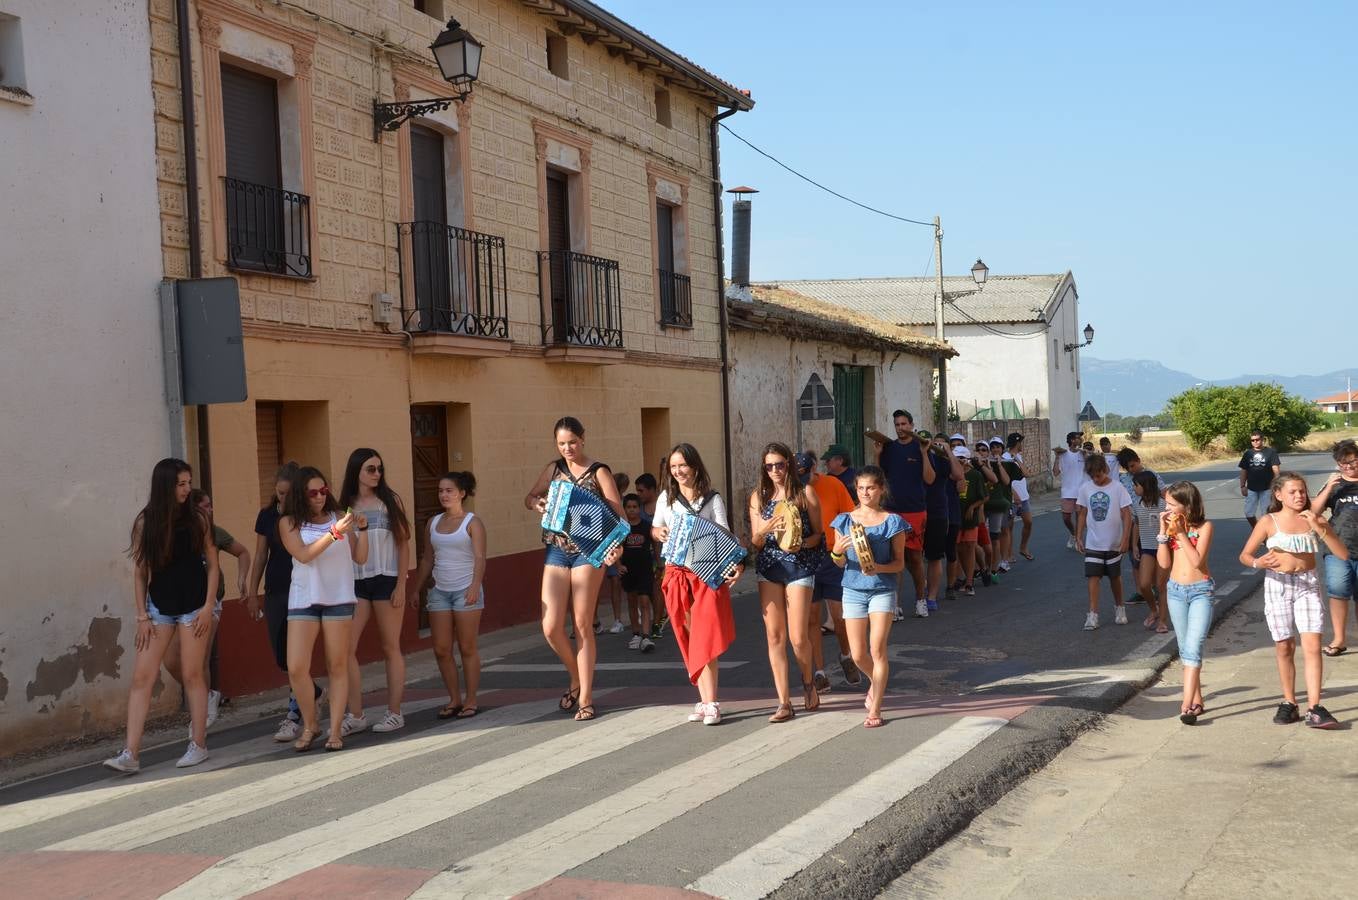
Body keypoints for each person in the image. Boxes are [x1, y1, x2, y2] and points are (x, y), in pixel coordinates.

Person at [104, 459, 219, 774]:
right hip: (158, 608)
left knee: (193, 674)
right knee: (142, 677)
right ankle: (131, 754)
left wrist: (209, 606)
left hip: (194, 605)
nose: (187, 489)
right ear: (166, 486)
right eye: (181, 484)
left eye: (189, 482)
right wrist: (141, 615)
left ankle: (198, 745)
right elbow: (141, 572)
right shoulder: (146, 522)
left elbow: (213, 563)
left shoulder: (198, 519)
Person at [524, 416, 625, 722]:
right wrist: (537, 504)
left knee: (581, 624)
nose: (567, 448)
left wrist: (615, 549)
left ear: (583, 439)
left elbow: (618, 513)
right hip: (556, 549)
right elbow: (530, 497)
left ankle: (586, 697)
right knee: (551, 626)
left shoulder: (599, 471)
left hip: (589, 552)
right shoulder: (553, 469)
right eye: (561, 443)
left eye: (572, 442)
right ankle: (575, 677)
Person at [1239, 472, 1345, 729]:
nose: (1299, 496)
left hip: (1307, 584)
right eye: (1292, 492)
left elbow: (1342, 554)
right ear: (1278, 495)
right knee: (1284, 646)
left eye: (1302, 491)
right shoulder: (1268, 521)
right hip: (1278, 585)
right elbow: (1245, 554)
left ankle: (1315, 707)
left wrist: (1321, 529)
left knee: (1312, 644)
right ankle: (1289, 702)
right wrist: (1258, 562)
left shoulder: (1314, 519)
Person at [279, 466, 368, 751]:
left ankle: (335, 730)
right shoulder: (289, 522)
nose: (319, 497)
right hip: (304, 598)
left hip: (339, 597)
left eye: (323, 491)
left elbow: (360, 558)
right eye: (312, 492)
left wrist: (362, 530)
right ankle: (311, 724)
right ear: (299, 495)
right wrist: (333, 533)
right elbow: (304, 555)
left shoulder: (339, 516)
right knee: (296, 668)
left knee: (337, 665)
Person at [653, 443, 740, 725]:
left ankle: (712, 701)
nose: (678, 471)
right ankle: (704, 701)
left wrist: (736, 564)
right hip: (677, 573)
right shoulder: (667, 498)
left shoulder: (712, 499)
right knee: (690, 636)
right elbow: (655, 528)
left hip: (705, 575)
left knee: (706, 635)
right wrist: (659, 532)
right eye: (674, 467)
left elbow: (725, 534)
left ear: (695, 466)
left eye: (683, 466)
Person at [750, 441, 826, 721]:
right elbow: (756, 542)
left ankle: (808, 683)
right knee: (774, 636)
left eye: (779, 465)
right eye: (768, 466)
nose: (774, 470)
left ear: (789, 465)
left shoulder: (805, 493)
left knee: (797, 636)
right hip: (769, 566)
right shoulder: (759, 497)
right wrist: (766, 529)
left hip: (799, 566)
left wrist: (801, 543)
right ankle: (784, 702)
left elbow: (819, 534)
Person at [162, 490, 250, 729]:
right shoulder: (177, 534)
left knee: (200, 659)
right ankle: (207, 694)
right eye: (204, 507)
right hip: (180, 604)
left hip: (208, 602)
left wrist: (242, 579)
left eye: (210, 506)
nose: (210, 511)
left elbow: (242, 552)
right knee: (170, 658)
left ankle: (200, 716)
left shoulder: (214, 531)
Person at [339, 448, 412, 736]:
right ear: (356, 470)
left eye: (379, 468)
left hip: (387, 578)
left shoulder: (390, 502)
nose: (377, 474)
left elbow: (404, 543)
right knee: (346, 649)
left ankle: (395, 713)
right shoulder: (345, 504)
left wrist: (402, 585)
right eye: (370, 469)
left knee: (390, 647)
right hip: (355, 581)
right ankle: (356, 714)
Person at [829, 466, 907, 728]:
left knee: (877, 649)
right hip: (852, 590)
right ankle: (877, 681)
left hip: (882, 590)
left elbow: (899, 564)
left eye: (870, 488)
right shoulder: (843, 521)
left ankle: (875, 709)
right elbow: (839, 563)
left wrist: (878, 568)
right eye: (860, 488)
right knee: (857, 654)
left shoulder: (893, 522)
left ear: (880, 489)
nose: (864, 493)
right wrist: (837, 552)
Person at [247, 461, 315, 742]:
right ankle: (313, 691)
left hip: (301, 589)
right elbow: (261, 554)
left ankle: (293, 715)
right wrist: (253, 592)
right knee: (280, 654)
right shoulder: (267, 516)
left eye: (288, 493)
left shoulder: (306, 516)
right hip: (276, 589)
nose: (283, 498)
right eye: (279, 493)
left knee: (293, 655)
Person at [411, 471, 485, 719]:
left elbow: (479, 557)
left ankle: (471, 699)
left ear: (462, 493)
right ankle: (454, 698)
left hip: (466, 590)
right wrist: (417, 589)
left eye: (449, 490)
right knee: (441, 648)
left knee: (467, 647)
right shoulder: (432, 523)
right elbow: (427, 558)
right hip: (439, 592)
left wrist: (476, 585)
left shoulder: (472, 523)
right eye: (441, 490)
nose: (444, 494)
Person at [797, 451, 858, 690]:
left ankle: (846, 655)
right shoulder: (792, 491)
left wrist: (851, 550)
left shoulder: (832, 484)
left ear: (815, 468)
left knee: (839, 616)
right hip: (806, 560)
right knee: (812, 619)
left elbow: (850, 516)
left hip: (833, 556)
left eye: (806, 473)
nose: (802, 479)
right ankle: (820, 672)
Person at [1156, 481, 1214, 724]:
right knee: (1185, 648)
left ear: (1186, 505)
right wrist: (1163, 532)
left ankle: (1186, 705)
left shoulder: (1204, 527)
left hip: (1200, 590)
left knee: (1194, 646)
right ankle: (1197, 699)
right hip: (1175, 591)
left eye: (1171, 504)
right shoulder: (1170, 527)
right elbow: (1164, 564)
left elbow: (1197, 561)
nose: (1166, 508)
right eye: (1166, 504)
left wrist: (1180, 533)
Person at [875, 409, 935, 621]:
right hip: (892, 511)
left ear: (911, 425)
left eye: (903, 424)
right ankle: (895, 605)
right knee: (894, 558)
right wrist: (878, 454)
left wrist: (925, 453)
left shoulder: (920, 447)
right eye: (897, 425)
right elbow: (879, 478)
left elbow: (929, 479)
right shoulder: (889, 448)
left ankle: (921, 600)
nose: (900, 428)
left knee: (914, 558)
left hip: (915, 510)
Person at [1076, 453, 1133, 630]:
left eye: (1099, 475)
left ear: (1105, 470)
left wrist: (1125, 540)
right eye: (1092, 476)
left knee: (1115, 577)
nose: (1096, 479)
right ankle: (1092, 615)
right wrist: (1078, 536)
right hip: (1093, 542)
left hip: (1114, 543)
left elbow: (1127, 515)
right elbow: (1083, 513)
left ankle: (1120, 609)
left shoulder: (1118, 488)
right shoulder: (1085, 488)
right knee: (1093, 576)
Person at [1312, 438, 1358, 656]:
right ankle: (1339, 639)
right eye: (1344, 463)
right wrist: (1330, 485)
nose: (1349, 466)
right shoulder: (1335, 485)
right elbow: (1313, 512)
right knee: (1338, 591)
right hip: (1337, 547)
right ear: (1338, 464)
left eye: (1353, 461)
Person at [1116, 448, 1167, 605]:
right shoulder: (1123, 479)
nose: (1131, 470)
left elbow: (1164, 492)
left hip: (1152, 523)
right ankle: (1141, 591)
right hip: (1133, 522)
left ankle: (1157, 589)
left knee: (1154, 556)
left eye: (1133, 465)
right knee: (1135, 558)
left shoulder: (1151, 474)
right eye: (1128, 468)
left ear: (1138, 460)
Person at [921, 433, 964, 614]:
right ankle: (922, 586)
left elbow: (959, 475)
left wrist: (948, 451)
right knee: (913, 556)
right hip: (917, 510)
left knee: (937, 556)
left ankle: (933, 595)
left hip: (938, 512)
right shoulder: (919, 457)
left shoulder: (942, 459)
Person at [1130, 472, 1170, 633]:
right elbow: (1137, 525)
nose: (1133, 488)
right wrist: (1134, 545)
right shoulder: (1137, 504)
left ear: (1145, 486)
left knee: (1161, 586)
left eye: (1135, 485)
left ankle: (1162, 621)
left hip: (1163, 549)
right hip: (1146, 549)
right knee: (1145, 584)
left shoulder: (1163, 504)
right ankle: (1153, 610)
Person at [619, 493, 658, 652]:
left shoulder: (647, 526)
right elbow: (616, 547)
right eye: (629, 507)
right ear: (624, 509)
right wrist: (618, 565)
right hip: (628, 569)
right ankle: (636, 633)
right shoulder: (622, 528)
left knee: (644, 601)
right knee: (632, 601)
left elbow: (655, 546)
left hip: (645, 568)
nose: (632, 510)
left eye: (635, 507)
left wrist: (658, 563)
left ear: (639, 508)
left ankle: (646, 636)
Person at [634, 472, 667, 638]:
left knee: (658, 587)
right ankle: (656, 618)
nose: (639, 494)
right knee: (649, 589)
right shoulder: (638, 509)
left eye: (641, 491)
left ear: (652, 490)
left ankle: (656, 622)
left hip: (662, 553)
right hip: (644, 554)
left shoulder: (663, 505)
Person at [954, 446, 986, 595]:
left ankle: (969, 582)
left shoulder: (975, 475)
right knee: (959, 547)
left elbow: (984, 496)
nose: (959, 461)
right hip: (955, 516)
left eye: (961, 458)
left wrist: (972, 507)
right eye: (956, 458)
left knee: (970, 547)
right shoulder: (951, 475)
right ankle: (961, 578)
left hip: (969, 517)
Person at [603, 472, 631, 634]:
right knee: (615, 581)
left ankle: (618, 618)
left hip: (623, 544)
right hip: (613, 544)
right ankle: (617, 619)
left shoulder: (626, 502)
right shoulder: (608, 502)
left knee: (621, 582)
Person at [982, 439, 1014, 580]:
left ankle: (1004, 559)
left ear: (1002, 449)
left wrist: (999, 465)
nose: (995, 450)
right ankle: (989, 564)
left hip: (1004, 500)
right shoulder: (984, 463)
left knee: (1004, 529)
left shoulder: (1006, 462)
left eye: (998, 447)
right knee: (990, 534)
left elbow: (1007, 481)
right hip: (988, 502)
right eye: (993, 447)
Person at [1238, 430, 1282, 527]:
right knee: (1248, 513)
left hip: (1267, 488)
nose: (1255, 442)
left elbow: (1276, 470)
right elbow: (1243, 470)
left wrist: (1277, 485)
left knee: (1265, 514)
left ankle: (1265, 535)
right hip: (1251, 488)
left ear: (1262, 439)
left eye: (1257, 440)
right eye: (1252, 440)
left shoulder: (1270, 452)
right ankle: (1257, 530)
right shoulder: (1248, 454)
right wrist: (1242, 486)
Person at [1055, 432, 1087, 550]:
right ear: (1072, 441)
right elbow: (1055, 472)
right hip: (1067, 491)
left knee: (1080, 517)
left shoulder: (1083, 454)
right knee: (1066, 518)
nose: (1080, 439)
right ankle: (1073, 534)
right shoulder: (1063, 455)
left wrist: (1086, 456)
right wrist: (1057, 456)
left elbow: (1090, 470)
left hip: (1081, 492)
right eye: (1078, 438)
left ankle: (1079, 539)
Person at [1004, 433, 1035, 561]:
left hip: (1024, 497)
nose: (1022, 445)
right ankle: (1009, 554)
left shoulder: (1018, 457)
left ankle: (1023, 548)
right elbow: (1004, 480)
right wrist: (1013, 494)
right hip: (1011, 498)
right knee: (1009, 527)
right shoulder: (1005, 458)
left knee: (1028, 523)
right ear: (1017, 443)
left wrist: (1016, 459)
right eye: (1021, 442)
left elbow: (1026, 473)